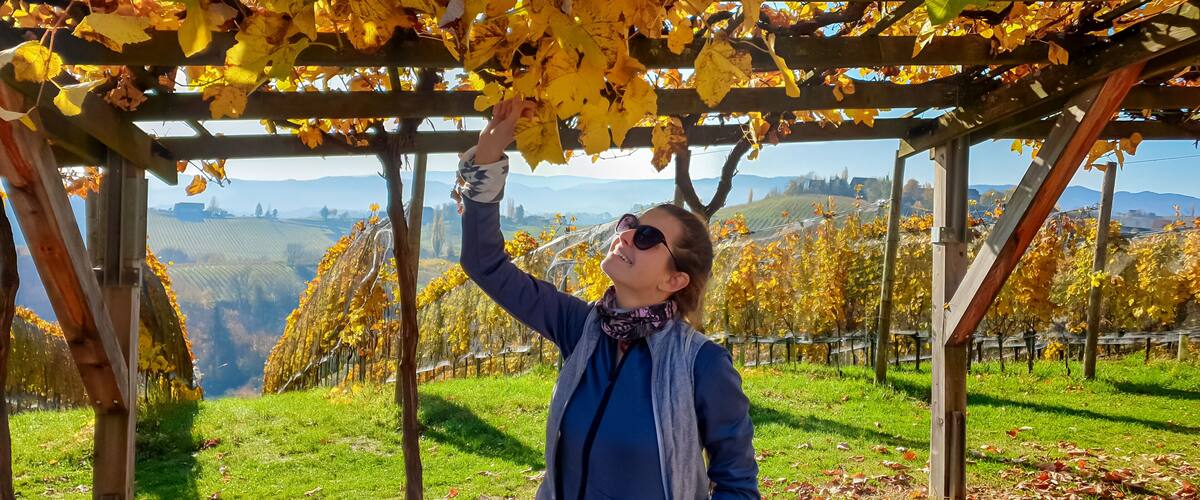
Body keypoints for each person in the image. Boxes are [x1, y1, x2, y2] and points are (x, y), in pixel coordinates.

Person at [454, 98, 759, 499]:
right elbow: (485, 264)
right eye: (630, 225)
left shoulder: (702, 365)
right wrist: (490, 155)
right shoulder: (582, 328)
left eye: (647, 237)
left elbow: (737, 486)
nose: (626, 235)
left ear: (674, 279)